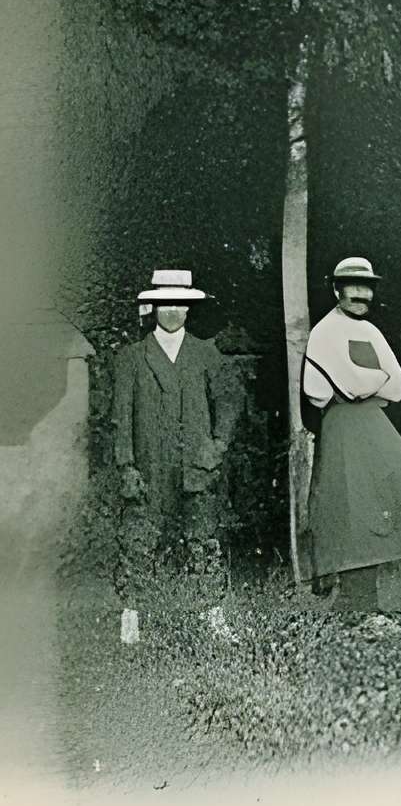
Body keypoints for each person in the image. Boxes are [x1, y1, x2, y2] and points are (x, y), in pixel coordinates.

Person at [301, 257, 401, 614]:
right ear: (337, 290)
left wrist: (372, 382)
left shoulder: (371, 331)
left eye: (366, 288)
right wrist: (373, 380)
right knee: (354, 509)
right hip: (342, 427)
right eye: (352, 287)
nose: (360, 295)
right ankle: (355, 606)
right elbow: (350, 387)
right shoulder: (325, 331)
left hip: (374, 426)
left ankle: (367, 603)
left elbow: (399, 387)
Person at [112, 267, 242, 647]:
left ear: (189, 308)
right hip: (150, 467)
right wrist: (126, 466)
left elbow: (230, 402)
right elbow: (120, 418)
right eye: (165, 303)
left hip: (196, 467)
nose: (172, 311)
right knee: (138, 542)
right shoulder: (132, 358)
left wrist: (216, 446)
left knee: (204, 539)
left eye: (180, 304)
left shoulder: (206, 353)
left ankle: (214, 617)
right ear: (152, 306)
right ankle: (131, 619)